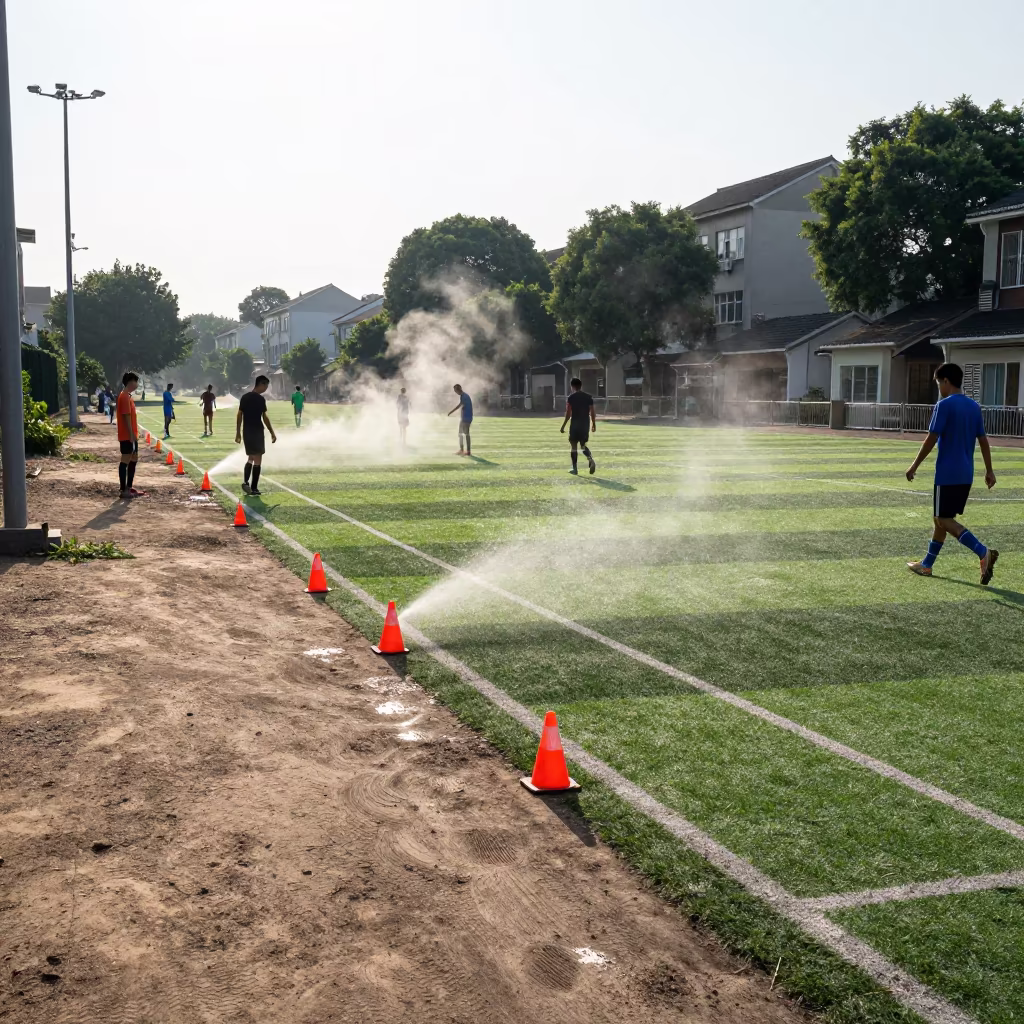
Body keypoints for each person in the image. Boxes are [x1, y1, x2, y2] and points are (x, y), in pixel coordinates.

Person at [906, 362, 998, 584]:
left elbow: (931, 438)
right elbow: (984, 441)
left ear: (946, 381)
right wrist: (989, 470)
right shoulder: (974, 407)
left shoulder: (944, 406)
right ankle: (927, 564)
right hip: (966, 473)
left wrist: (914, 465)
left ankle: (982, 551)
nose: (939, 387)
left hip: (947, 473)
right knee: (941, 519)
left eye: (939, 383)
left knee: (942, 518)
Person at [236, 375, 277, 496]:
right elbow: (265, 417)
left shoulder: (244, 397)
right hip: (258, 431)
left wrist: (238, 432)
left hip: (247, 431)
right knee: (257, 459)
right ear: (261, 384)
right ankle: (254, 488)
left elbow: (239, 415)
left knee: (251, 457)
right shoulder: (260, 399)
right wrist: (272, 432)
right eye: (266, 385)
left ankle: (245, 482)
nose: (266, 388)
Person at [116, 372, 146, 498]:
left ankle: (129, 487)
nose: (137, 384)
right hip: (127, 436)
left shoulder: (128, 396)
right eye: (136, 381)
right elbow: (126, 417)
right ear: (130, 382)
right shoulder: (124, 397)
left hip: (131, 435)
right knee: (125, 460)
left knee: (134, 459)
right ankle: (123, 490)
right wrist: (131, 434)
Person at [560, 377, 597, 475]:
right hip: (585, 423)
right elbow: (592, 412)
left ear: (572, 386)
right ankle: (590, 459)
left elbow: (568, 414)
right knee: (583, 445)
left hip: (575, 423)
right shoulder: (588, 397)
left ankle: (575, 468)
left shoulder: (571, 398)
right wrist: (593, 424)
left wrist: (563, 426)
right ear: (581, 386)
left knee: (573, 446)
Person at [447, 384, 473, 456]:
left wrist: (451, 412)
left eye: (455, 391)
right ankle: (464, 450)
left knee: (465, 434)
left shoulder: (464, 396)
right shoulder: (464, 395)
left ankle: (467, 451)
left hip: (466, 418)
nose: (455, 392)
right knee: (462, 434)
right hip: (466, 417)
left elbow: (459, 406)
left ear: (458, 390)